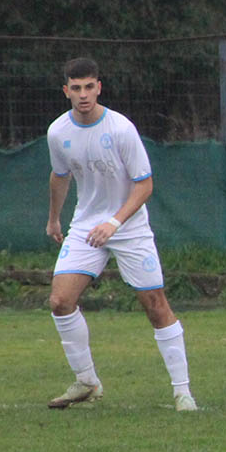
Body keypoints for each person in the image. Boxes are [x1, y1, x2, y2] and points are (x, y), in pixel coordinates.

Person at [45, 57, 197, 412]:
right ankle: (87, 382)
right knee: (60, 301)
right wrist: (53, 220)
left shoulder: (121, 129)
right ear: (66, 91)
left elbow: (145, 185)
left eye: (89, 87)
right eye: (76, 88)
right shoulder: (57, 132)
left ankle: (183, 392)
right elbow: (60, 176)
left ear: (99, 87)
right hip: (86, 226)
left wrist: (114, 223)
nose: (84, 94)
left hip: (129, 227)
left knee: (155, 305)